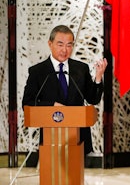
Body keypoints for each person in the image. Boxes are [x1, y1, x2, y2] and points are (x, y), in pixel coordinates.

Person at [22, 25, 108, 155]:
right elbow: (28, 103)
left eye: (69, 45)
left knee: (76, 174)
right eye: (60, 44)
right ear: (50, 44)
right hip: (51, 139)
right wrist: (52, 105)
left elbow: (92, 99)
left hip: (79, 138)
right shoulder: (38, 72)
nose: (65, 50)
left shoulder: (81, 69)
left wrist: (98, 77)